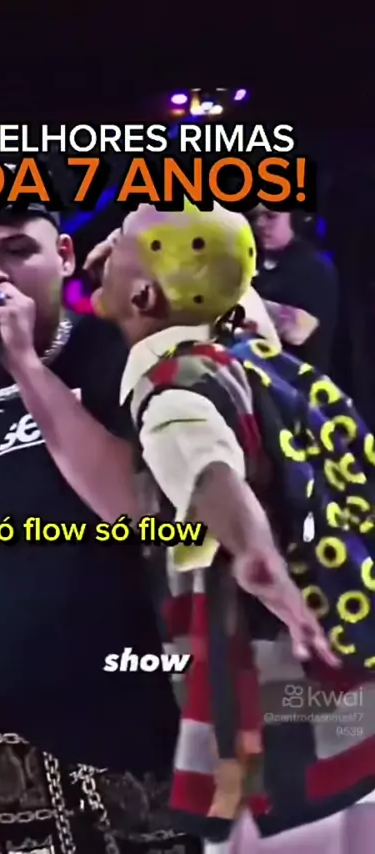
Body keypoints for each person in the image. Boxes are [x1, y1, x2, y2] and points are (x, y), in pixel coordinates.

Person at [0, 176, 203, 853]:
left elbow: (137, 510)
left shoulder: (124, 359)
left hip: (126, 732)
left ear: (64, 256)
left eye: (16, 249)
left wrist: (29, 371)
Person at [86, 201, 375, 853]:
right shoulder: (245, 343)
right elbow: (221, 275)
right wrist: (132, 267)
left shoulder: (175, 394)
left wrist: (258, 562)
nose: (107, 243)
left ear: (147, 294)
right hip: (347, 684)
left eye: (121, 240)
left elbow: (213, 476)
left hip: (277, 699)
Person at [249, 207, 339, 372]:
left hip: (298, 379)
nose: (260, 223)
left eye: (270, 216)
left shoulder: (314, 266)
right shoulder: (253, 260)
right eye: (255, 216)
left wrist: (247, 303)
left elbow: (300, 331)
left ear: (295, 218)